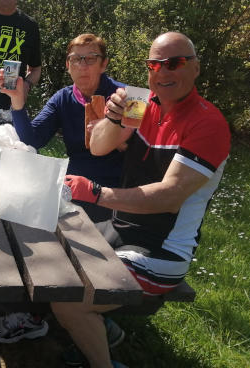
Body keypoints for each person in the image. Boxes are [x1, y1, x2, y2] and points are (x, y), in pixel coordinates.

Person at [61, 32, 231, 368]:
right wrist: (112, 118)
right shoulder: (143, 103)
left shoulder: (208, 123)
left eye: (175, 63)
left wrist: (96, 193)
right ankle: (100, 330)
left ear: (196, 68)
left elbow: (169, 197)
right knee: (52, 253)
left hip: (160, 252)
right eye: (155, 64)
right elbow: (99, 147)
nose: (163, 72)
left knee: (67, 296)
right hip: (119, 229)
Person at [0, 34, 127, 347]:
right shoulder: (65, 98)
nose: (83, 65)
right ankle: (45, 305)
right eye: (76, 59)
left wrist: (123, 140)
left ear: (104, 64)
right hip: (73, 187)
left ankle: (39, 315)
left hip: (112, 194)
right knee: (14, 211)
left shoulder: (121, 98)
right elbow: (32, 139)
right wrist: (18, 102)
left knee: (48, 235)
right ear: (67, 65)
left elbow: (145, 150)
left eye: (91, 58)